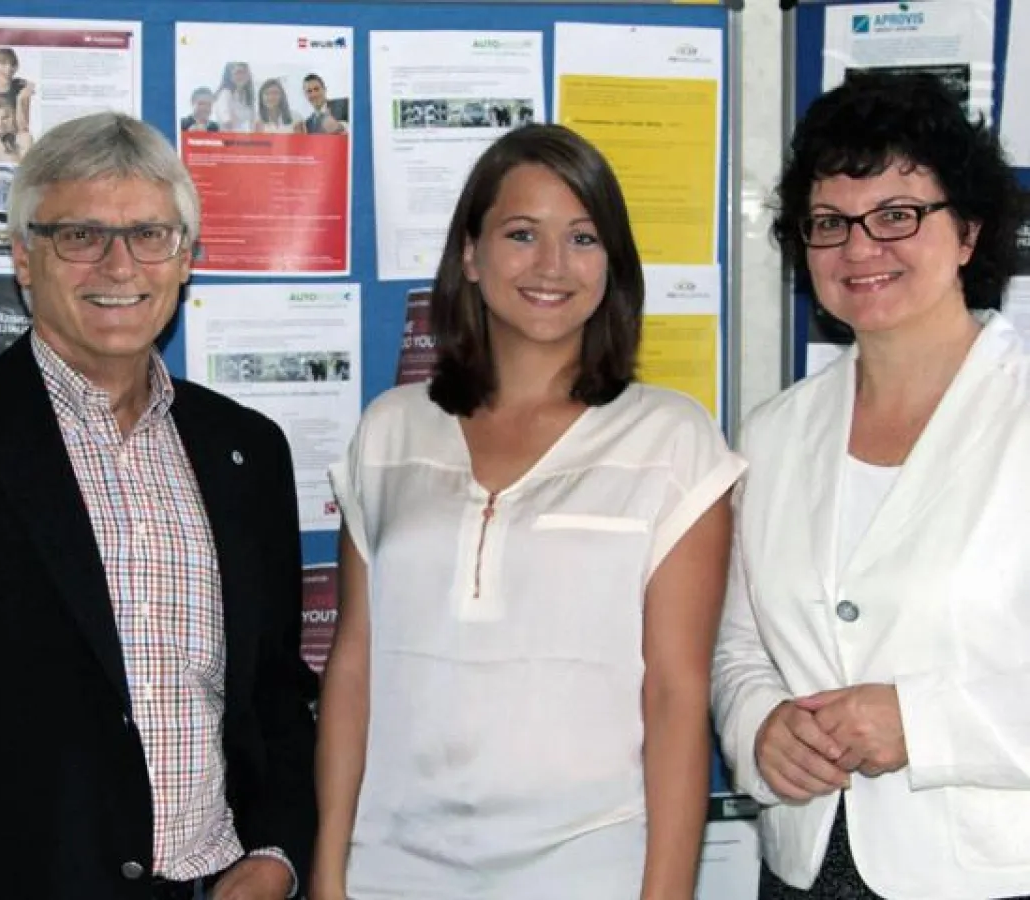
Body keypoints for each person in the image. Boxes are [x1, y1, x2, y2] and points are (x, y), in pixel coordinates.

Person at [312, 123, 745, 900]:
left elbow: (677, 695)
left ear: (611, 265)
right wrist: (329, 869)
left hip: (592, 869)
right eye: (521, 234)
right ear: (470, 256)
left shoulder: (672, 439)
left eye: (582, 238)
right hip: (391, 868)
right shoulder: (389, 430)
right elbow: (352, 669)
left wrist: (667, 892)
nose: (552, 265)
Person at [0, 111, 317, 899]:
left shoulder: (246, 449)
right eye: (80, 235)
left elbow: (273, 688)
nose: (118, 265)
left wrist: (275, 850)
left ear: (185, 258)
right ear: (24, 257)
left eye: (150, 235)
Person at [711, 70, 1030, 900]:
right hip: (804, 866)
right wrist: (759, 728)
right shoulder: (775, 431)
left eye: (896, 214)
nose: (859, 247)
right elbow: (740, 645)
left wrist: (920, 722)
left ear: (967, 230)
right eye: (829, 223)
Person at [213, 60, 254, 132]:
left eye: (245, 72)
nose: (242, 76)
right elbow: (226, 121)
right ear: (230, 76)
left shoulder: (246, 96)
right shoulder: (225, 94)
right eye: (238, 73)